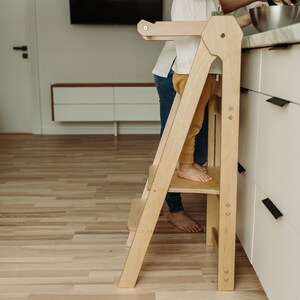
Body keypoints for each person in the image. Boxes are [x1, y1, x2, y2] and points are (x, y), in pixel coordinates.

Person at [152, 0, 292, 233]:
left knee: (197, 141)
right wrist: (250, 16)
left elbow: (218, 20)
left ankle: (181, 171)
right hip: (182, 67)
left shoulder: (210, 2)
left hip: (201, 67)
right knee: (177, 140)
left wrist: (253, 12)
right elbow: (211, 28)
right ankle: (174, 208)